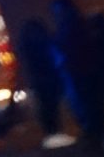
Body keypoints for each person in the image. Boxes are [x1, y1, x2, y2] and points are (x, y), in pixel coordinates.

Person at [50, 0, 104, 150]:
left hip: (85, 71)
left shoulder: (77, 27)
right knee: (84, 104)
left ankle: (101, 134)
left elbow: (88, 48)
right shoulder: (67, 28)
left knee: (92, 104)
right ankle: (95, 133)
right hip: (76, 72)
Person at [16, 16, 71, 147]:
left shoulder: (25, 43)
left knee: (45, 107)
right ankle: (55, 133)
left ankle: (51, 134)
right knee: (51, 107)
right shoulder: (43, 42)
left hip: (38, 79)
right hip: (48, 77)